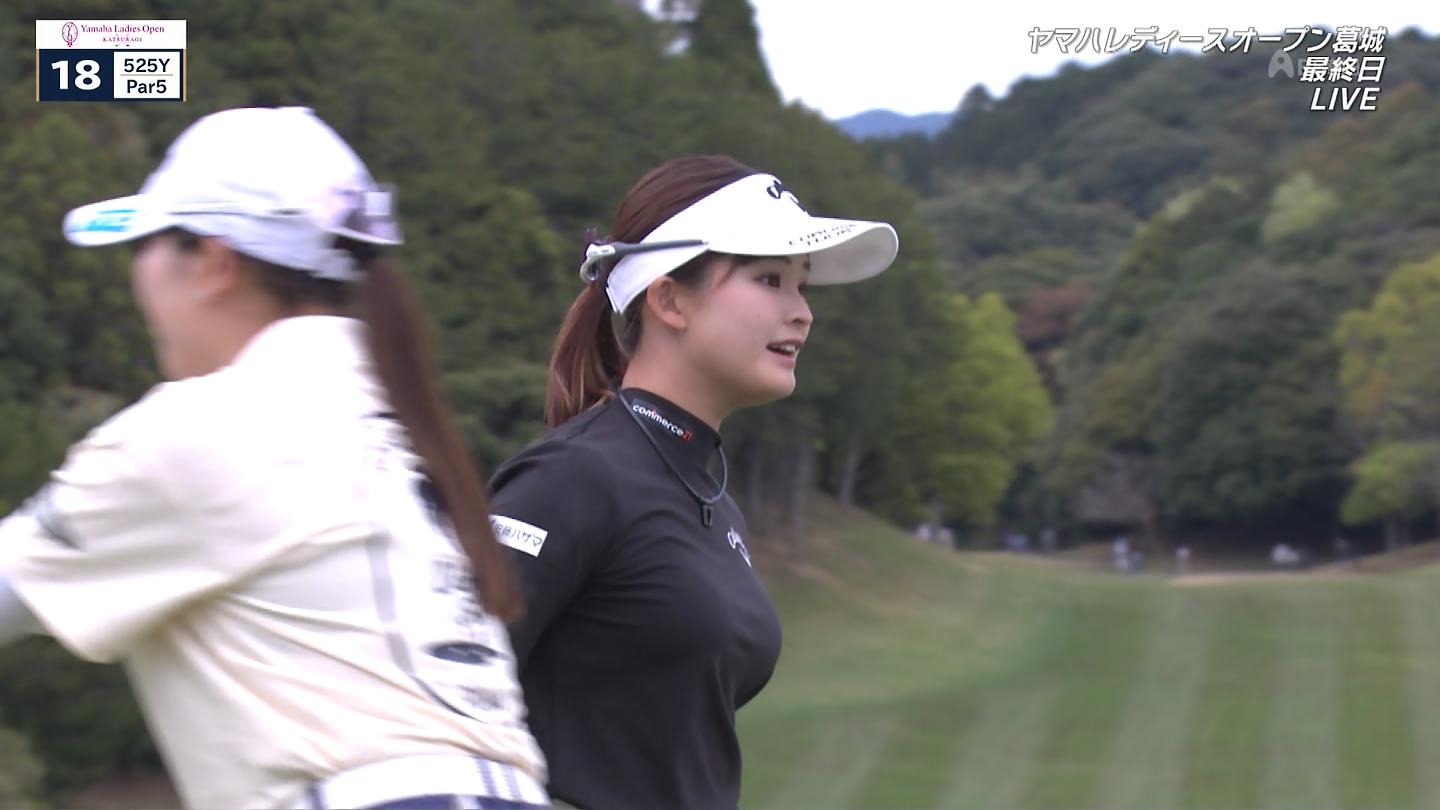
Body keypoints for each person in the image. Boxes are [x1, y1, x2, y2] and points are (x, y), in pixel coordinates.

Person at [0, 107, 546, 810]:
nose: (139, 276)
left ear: (213, 263)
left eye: (146, 246)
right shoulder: (401, 424)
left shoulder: (200, 430)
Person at [487, 155, 899, 809]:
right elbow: (433, 699)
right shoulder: (572, 480)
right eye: (770, 279)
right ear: (668, 300)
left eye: (802, 286)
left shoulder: (713, 503)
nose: (802, 313)